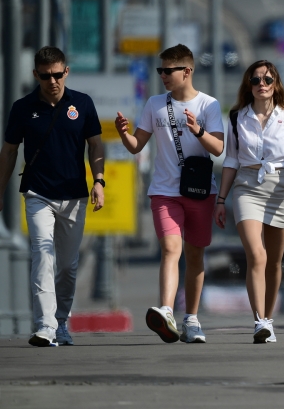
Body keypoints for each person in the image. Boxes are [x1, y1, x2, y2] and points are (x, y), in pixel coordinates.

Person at [115, 44, 224, 344]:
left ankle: (191, 318)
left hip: (200, 192)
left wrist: (198, 131)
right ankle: (166, 311)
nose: (162, 75)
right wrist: (124, 135)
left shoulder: (209, 105)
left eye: (168, 70)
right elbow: (137, 146)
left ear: (187, 71)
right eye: (159, 70)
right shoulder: (154, 104)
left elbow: (218, 149)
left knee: (195, 255)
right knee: (170, 249)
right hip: (163, 191)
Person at [0, 46, 105, 347]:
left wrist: (99, 181)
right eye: (46, 76)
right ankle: (44, 326)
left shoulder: (82, 104)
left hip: (74, 196)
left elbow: (95, 146)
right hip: (37, 193)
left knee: (68, 266)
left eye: (58, 74)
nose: (52, 81)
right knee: (43, 255)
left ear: (66, 72)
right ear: (36, 75)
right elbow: (8, 152)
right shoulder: (23, 107)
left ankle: (61, 322)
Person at [214, 60, 284, 344]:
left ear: (276, 84)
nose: (262, 85)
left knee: (274, 262)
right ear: (249, 86)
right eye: (255, 80)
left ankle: (268, 319)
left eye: (267, 79)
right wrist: (221, 199)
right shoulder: (236, 118)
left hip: (281, 190)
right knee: (257, 255)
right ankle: (259, 321)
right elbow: (230, 160)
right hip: (247, 188)